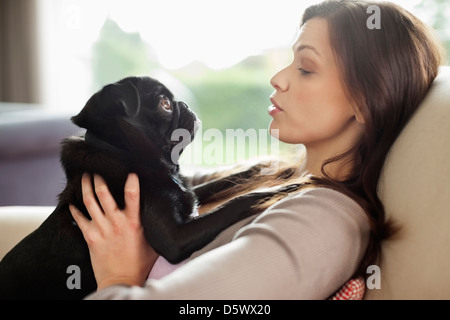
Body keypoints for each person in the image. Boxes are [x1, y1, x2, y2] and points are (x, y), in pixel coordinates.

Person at [69, 0, 445, 299]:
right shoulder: (272, 173)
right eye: (291, 61)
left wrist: (118, 276)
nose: (277, 78)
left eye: (307, 68)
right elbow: (153, 185)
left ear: (365, 101)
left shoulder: (322, 223)